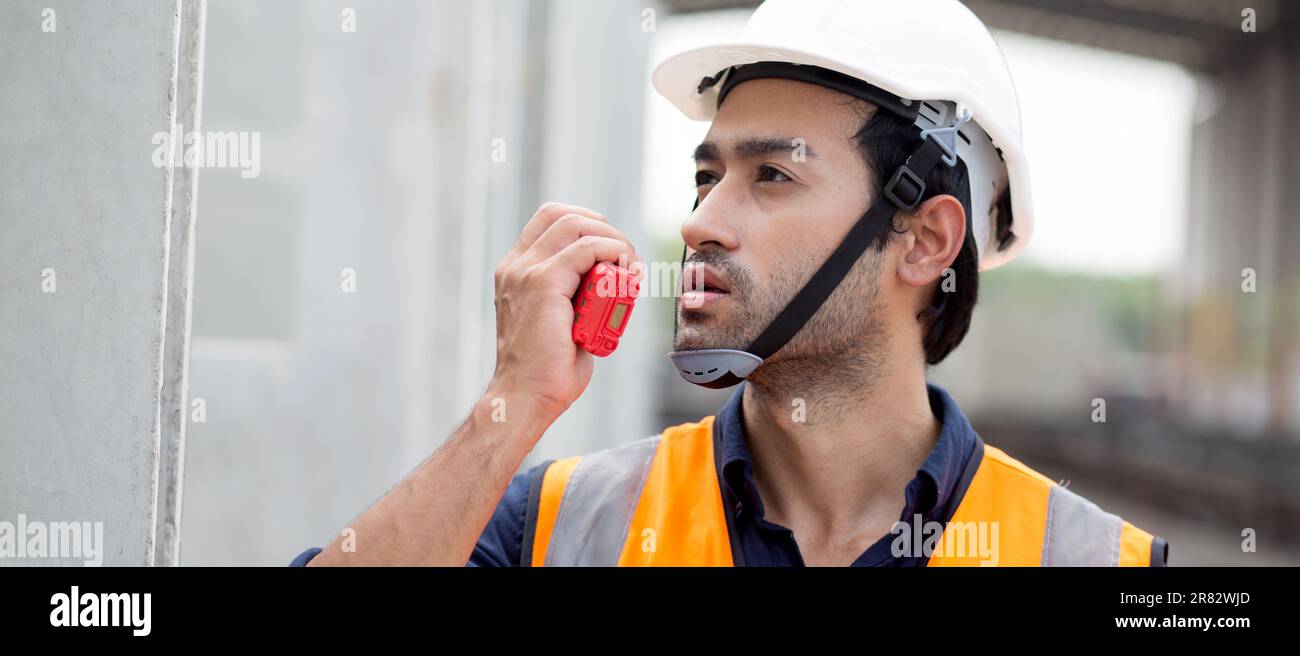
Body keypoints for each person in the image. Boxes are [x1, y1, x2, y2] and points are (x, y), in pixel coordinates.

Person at [296, 0, 1167, 567]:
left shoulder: (1105, 566)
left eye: (771, 176)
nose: (701, 219)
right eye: (706, 176)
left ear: (925, 240)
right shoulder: (560, 525)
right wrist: (514, 402)